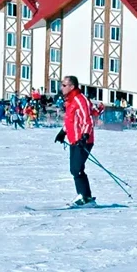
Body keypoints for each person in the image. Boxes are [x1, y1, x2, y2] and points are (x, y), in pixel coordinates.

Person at [55, 75, 95, 207]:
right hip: (74, 140)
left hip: (83, 140)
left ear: (72, 87)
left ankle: (83, 197)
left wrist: (84, 136)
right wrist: (63, 132)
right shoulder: (70, 101)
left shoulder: (80, 99)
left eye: (64, 85)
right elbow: (71, 120)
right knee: (76, 169)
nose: (62, 88)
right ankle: (86, 197)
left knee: (76, 169)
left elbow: (87, 119)